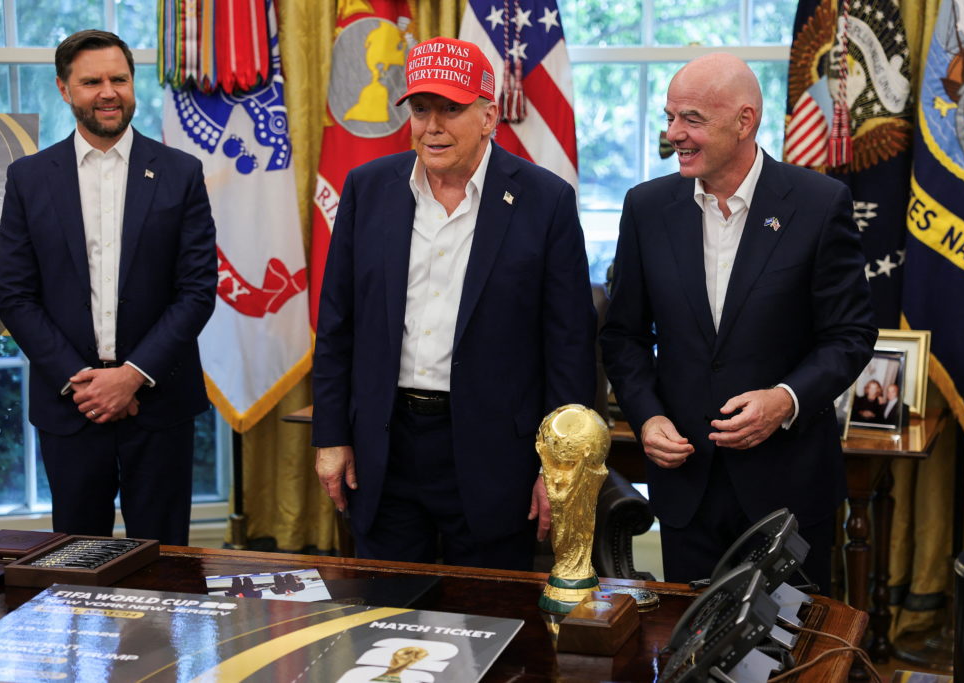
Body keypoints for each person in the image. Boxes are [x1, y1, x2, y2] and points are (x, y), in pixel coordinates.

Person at [312, 37, 595, 571]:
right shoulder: (367, 188)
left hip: (494, 457)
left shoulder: (545, 200)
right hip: (385, 447)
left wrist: (558, 466)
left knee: (489, 624)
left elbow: (569, 345)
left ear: (489, 116)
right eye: (421, 109)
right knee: (386, 618)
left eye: (451, 109)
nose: (433, 125)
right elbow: (337, 325)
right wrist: (331, 436)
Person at [599, 53, 876, 592]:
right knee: (690, 658)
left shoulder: (819, 204)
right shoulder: (646, 207)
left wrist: (786, 399)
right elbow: (624, 335)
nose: (673, 133)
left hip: (787, 489)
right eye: (670, 116)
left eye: (692, 119)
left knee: (790, 657)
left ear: (745, 121)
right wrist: (647, 416)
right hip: (687, 487)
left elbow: (850, 334)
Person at [0, 30, 217, 545]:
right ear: (64, 89)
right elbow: (15, 295)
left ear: (133, 84)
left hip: (160, 404)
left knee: (164, 565)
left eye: (119, 78)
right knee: (77, 565)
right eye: (91, 81)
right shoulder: (28, 178)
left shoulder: (181, 173)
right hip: (70, 405)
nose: (108, 91)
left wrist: (132, 377)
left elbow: (197, 290)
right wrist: (84, 381)